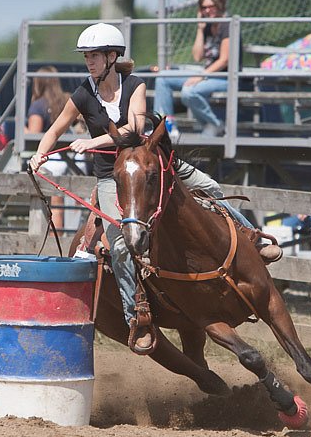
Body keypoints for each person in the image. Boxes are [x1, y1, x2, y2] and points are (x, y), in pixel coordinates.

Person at [29, 23, 281, 343]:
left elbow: (134, 128)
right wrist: (39, 155)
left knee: (212, 188)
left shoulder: (134, 85)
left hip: (154, 163)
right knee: (119, 245)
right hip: (112, 177)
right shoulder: (82, 93)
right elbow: (53, 130)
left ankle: (253, 238)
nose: (88, 61)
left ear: (111, 57)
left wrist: (93, 143)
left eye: (94, 55)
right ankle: (136, 314)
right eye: (86, 56)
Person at [154, 0, 230, 138]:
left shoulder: (227, 25)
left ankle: (215, 124)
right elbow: (197, 56)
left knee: (189, 91)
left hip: (225, 77)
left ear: (220, 4)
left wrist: (201, 76)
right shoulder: (207, 26)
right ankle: (166, 127)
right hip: (208, 74)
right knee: (163, 77)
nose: (208, 10)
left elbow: (224, 60)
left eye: (211, 6)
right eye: (204, 7)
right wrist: (200, 29)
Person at [25, 66, 87, 231]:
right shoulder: (66, 99)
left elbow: (34, 133)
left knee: (55, 201)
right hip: (73, 157)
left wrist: (20, 128)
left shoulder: (38, 105)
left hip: (52, 158)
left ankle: (56, 237)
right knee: (73, 202)